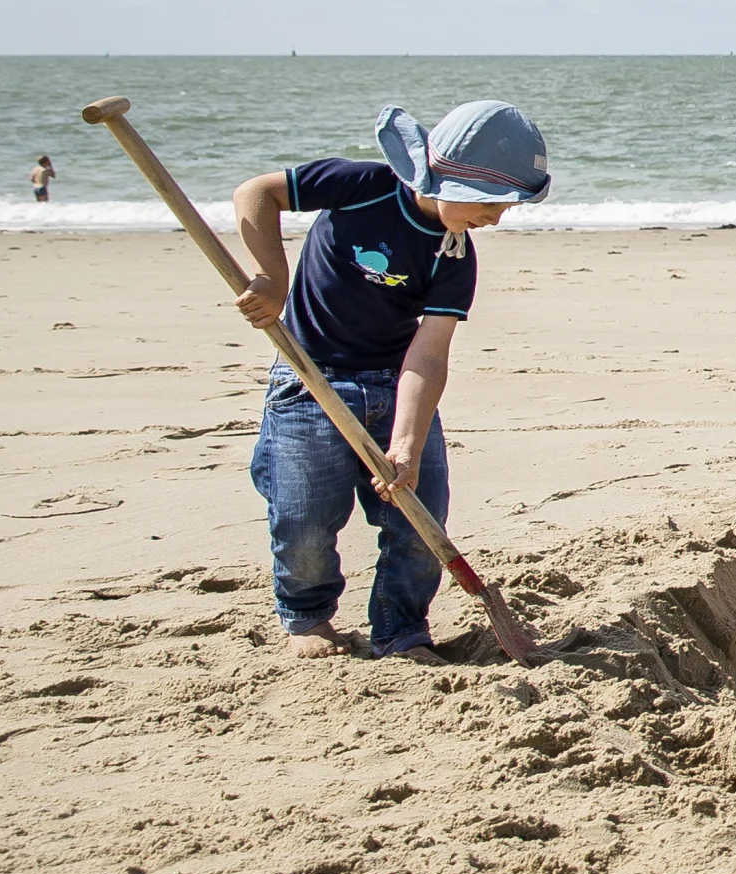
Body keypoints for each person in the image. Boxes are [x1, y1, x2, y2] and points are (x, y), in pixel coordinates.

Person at [232, 102, 551, 661]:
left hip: (393, 384)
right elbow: (256, 193)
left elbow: (429, 353)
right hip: (310, 379)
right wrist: (271, 278)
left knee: (418, 523)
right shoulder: (363, 185)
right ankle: (309, 620)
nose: (497, 219)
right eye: (491, 203)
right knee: (304, 521)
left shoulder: (454, 255)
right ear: (448, 180)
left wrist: (405, 441)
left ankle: (400, 631)